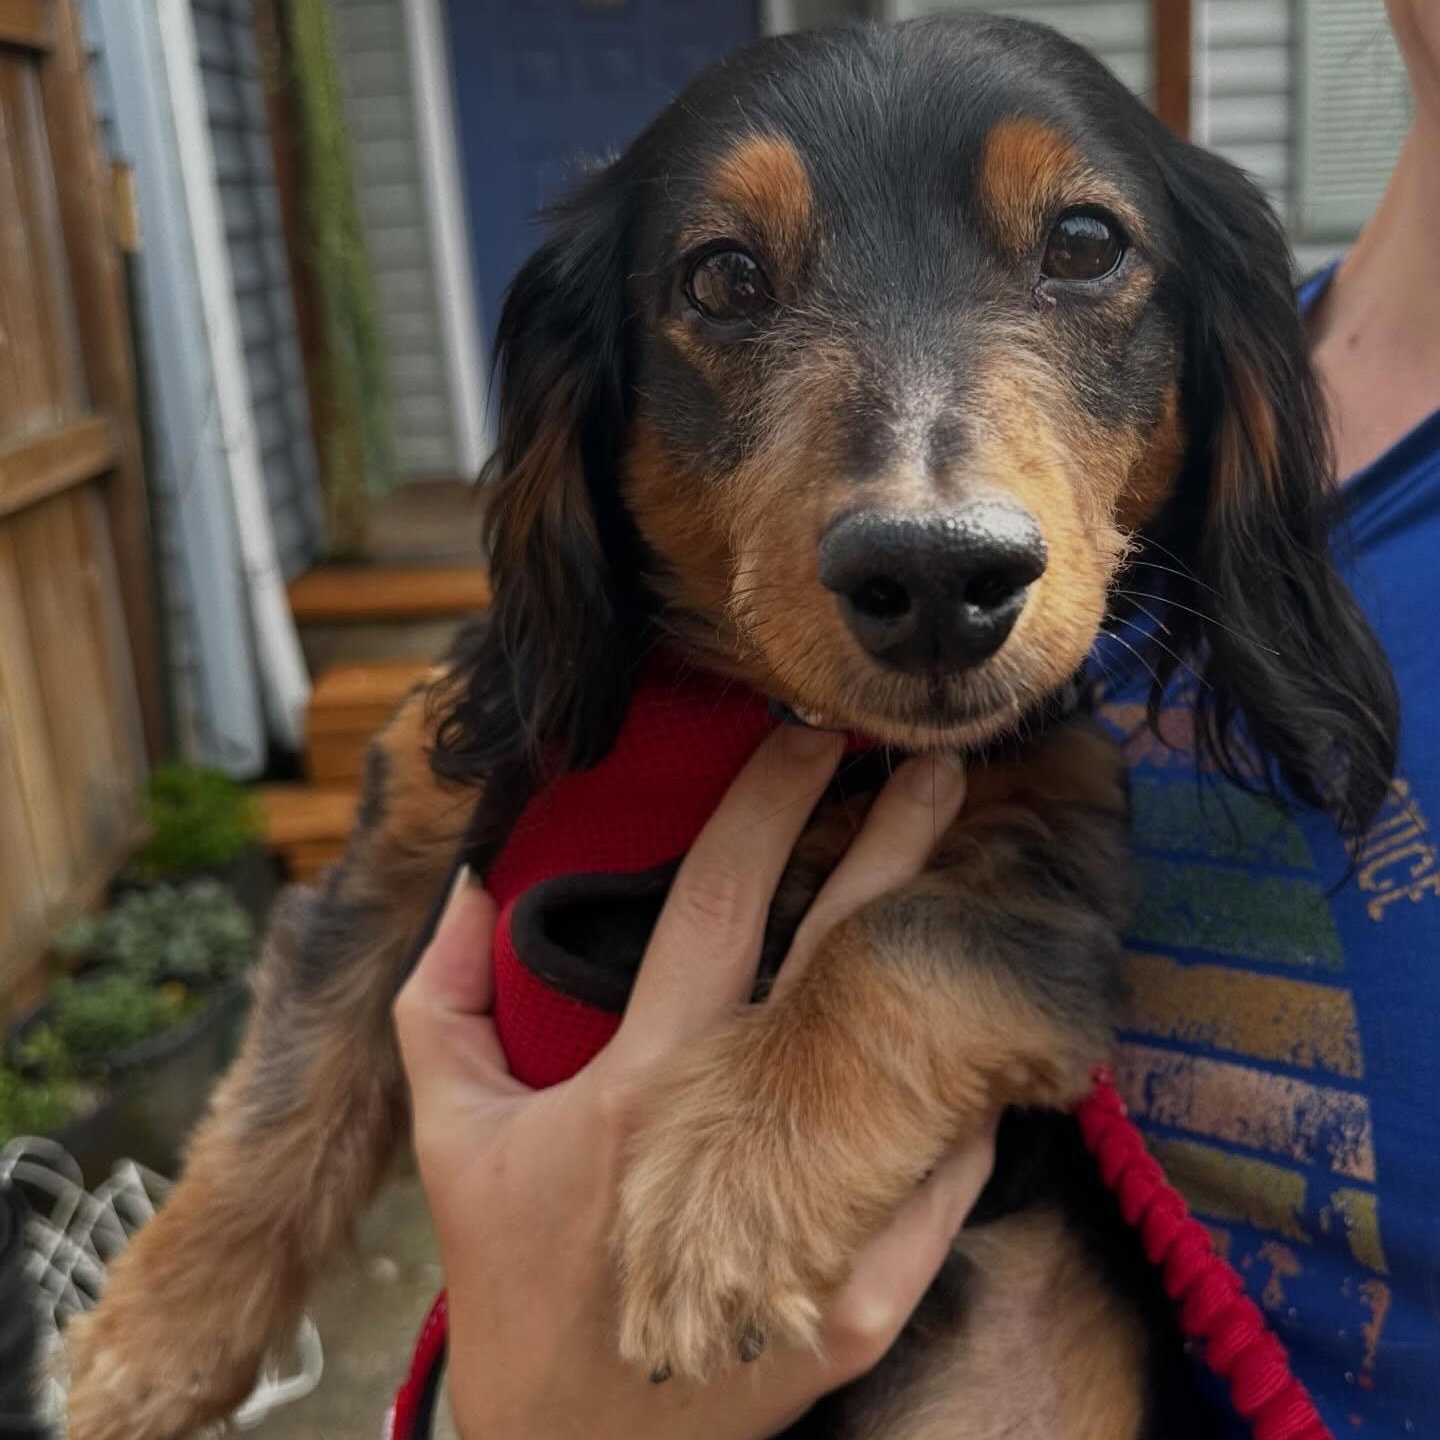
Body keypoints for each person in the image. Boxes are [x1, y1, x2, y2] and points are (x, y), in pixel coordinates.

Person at [398, 2, 1440, 1434]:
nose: (930, 510)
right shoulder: (1215, 432)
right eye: (729, 284)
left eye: (1080, 251)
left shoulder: (1212, 485)